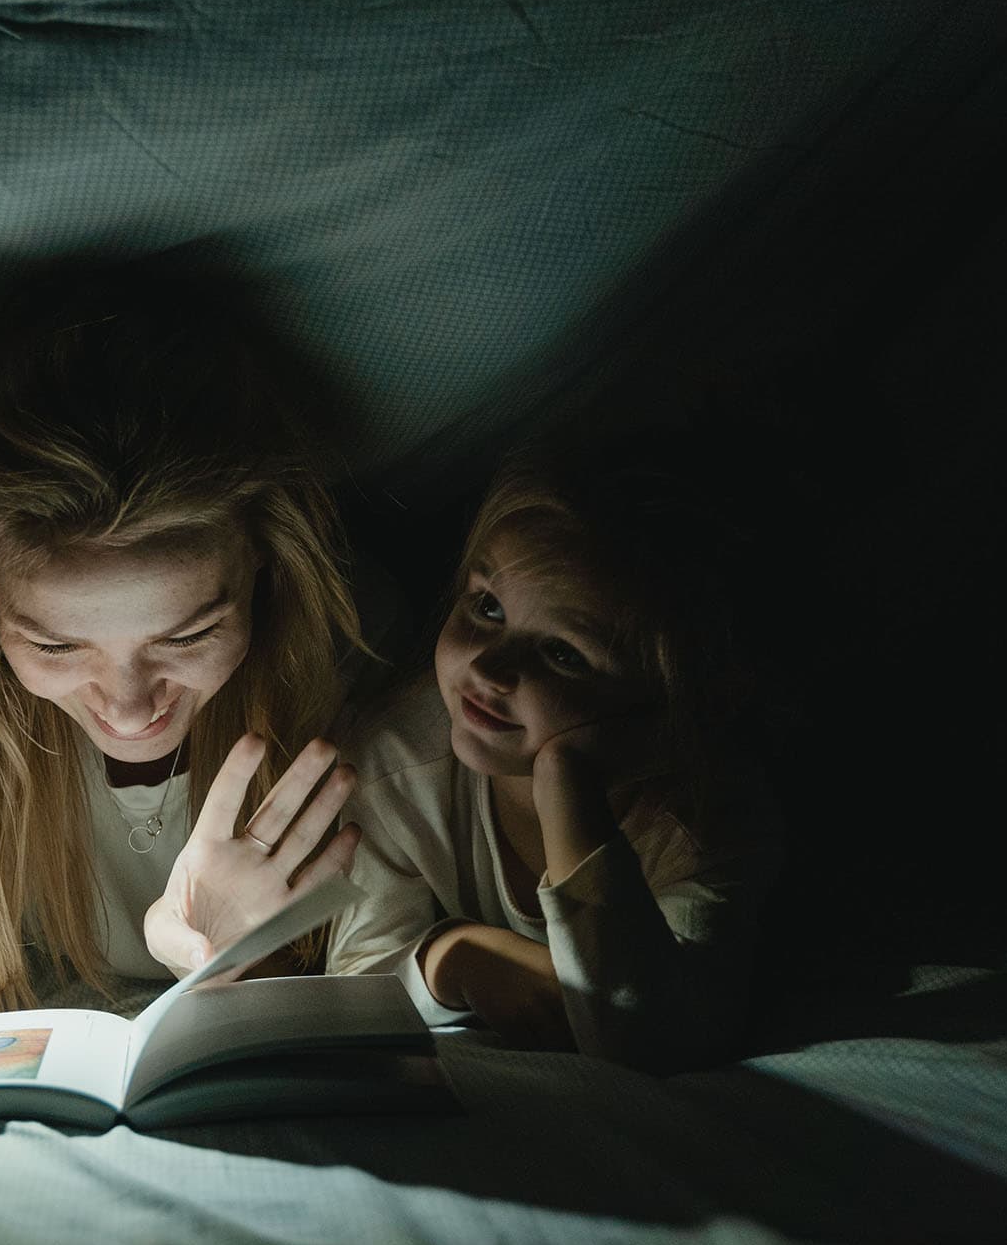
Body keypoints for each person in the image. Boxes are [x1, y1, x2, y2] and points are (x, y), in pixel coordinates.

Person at [0, 298, 365, 1016]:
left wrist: (241, 958)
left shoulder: (353, 681)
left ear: (265, 570)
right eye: (54, 644)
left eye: (186, 637)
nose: (128, 707)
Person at [325, 448, 781, 1071]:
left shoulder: (703, 819)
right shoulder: (399, 757)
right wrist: (456, 955)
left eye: (563, 654)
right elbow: (354, 980)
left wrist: (568, 786)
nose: (487, 668)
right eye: (487, 606)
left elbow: (654, 1040)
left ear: (669, 714)